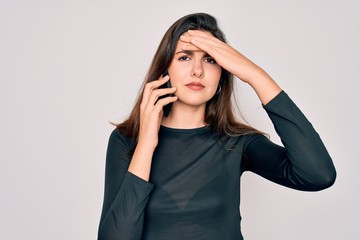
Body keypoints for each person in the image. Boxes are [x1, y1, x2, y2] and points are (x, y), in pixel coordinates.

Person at [97, 13, 336, 240]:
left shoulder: (238, 142)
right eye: (184, 57)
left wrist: (254, 75)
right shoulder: (126, 140)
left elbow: (318, 175)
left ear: (223, 73)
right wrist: (147, 143)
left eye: (210, 59)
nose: (197, 70)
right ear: (164, 70)